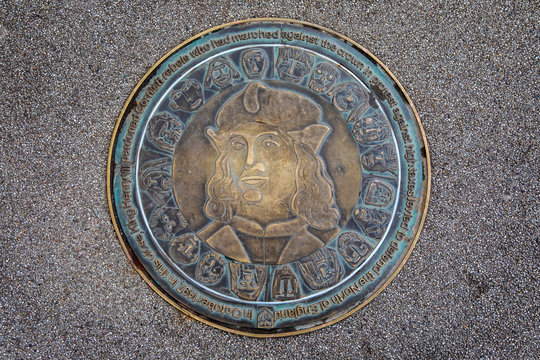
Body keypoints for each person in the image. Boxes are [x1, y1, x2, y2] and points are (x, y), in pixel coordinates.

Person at [197, 82, 340, 264]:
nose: (249, 161)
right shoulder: (209, 239)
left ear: (303, 159)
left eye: (269, 145)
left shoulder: (326, 241)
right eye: (238, 145)